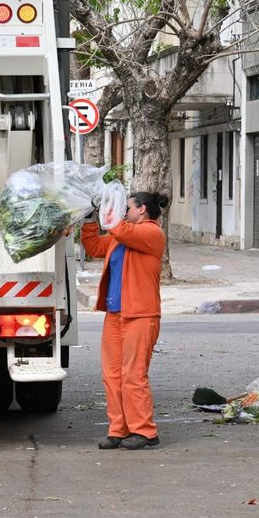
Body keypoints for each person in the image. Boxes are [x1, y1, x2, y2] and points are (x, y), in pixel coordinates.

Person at [81, 191, 168, 450]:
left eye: (127, 207)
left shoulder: (152, 233)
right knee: (112, 375)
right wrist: (88, 218)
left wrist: (107, 210)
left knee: (133, 375)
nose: (124, 211)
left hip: (140, 316)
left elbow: (121, 230)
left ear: (142, 209)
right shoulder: (121, 238)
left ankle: (145, 431)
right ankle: (118, 429)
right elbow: (94, 246)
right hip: (115, 315)